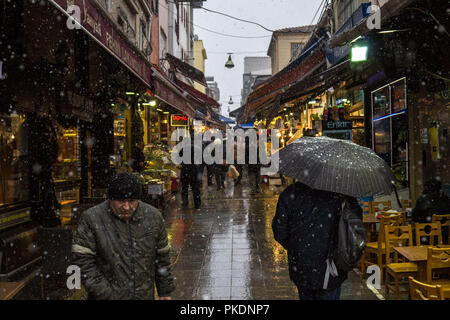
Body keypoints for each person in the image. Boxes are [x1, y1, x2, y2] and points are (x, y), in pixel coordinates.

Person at [72, 172, 175, 300]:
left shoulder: (153, 217)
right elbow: (83, 262)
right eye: (121, 201)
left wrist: (165, 291)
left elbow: (162, 256)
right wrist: (107, 294)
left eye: (132, 201)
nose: (126, 207)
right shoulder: (92, 219)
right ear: (110, 199)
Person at [272, 181, 361, 300]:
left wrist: (297, 247)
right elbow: (355, 227)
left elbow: (280, 231)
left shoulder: (291, 193)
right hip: (331, 268)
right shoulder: (341, 193)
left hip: (302, 267)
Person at [412, 178, 450, 244]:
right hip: (444, 237)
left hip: (426, 235)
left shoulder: (423, 200)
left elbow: (415, 217)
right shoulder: (445, 199)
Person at [180, 135, 201, 209]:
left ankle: (185, 202)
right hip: (194, 169)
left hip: (185, 169)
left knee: (185, 187)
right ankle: (197, 204)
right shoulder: (197, 148)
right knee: (195, 188)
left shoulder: (183, 148)